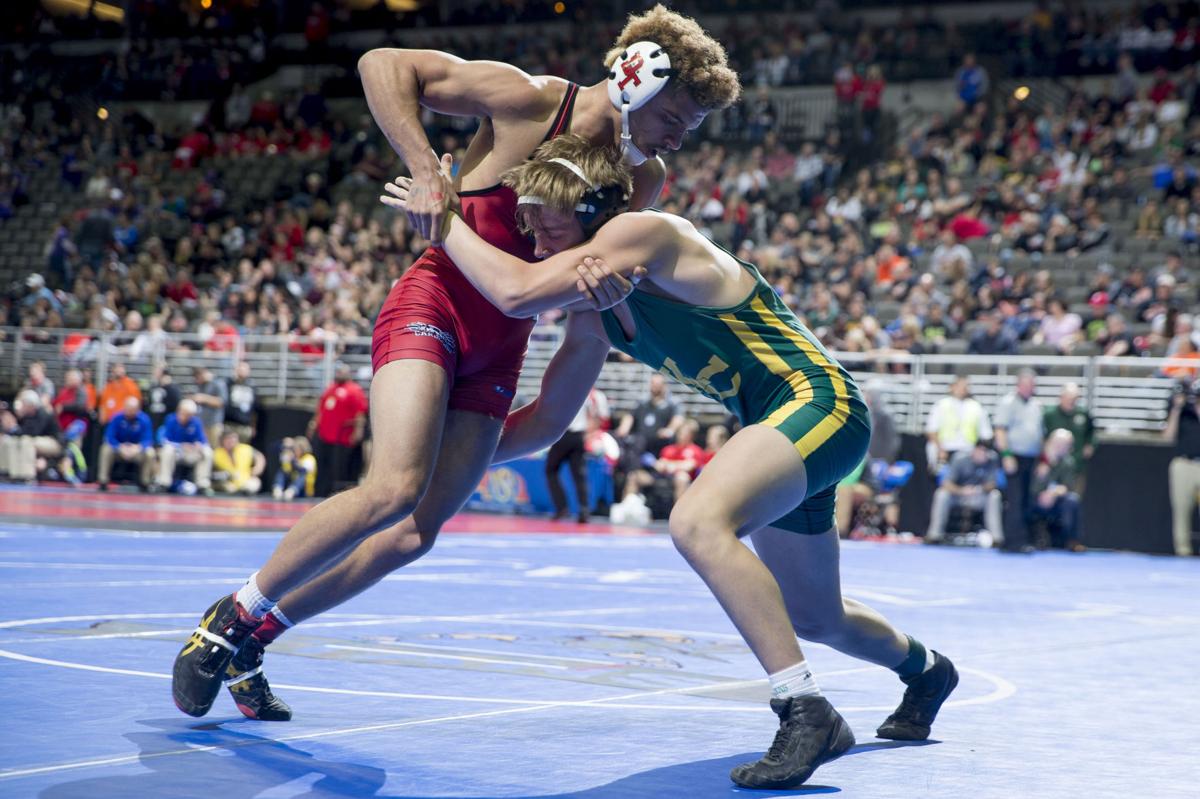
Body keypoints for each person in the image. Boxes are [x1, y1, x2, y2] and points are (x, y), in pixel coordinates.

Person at [173, 3, 736, 730]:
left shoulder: (644, 177)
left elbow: (583, 280)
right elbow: (384, 65)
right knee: (394, 488)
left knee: (414, 530)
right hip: (436, 300)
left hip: (505, 339)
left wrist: (607, 289)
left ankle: (256, 637)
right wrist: (423, 171)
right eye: (678, 118)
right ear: (639, 78)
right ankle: (229, 616)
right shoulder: (531, 99)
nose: (680, 141)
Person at [382, 134, 957, 789]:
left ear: (596, 212)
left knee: (696, 520)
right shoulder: (595, 317)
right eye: (526, 216)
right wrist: (434, 456)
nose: (531, 228)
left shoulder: (646, 232)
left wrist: (445, 218)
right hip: (777, 424)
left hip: (817, 401)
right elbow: (544, 421)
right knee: (814, 616)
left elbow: (515, 294)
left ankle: (804, 708)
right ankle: (927, 670)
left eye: (547, 214)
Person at [994, 369, 1045, 554]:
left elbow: (1040, 434)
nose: (1032, 387)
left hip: (1031, 458)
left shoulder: (1035, 404)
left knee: (1025, 500)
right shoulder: (1008, 402)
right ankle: (1012, 541)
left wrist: (1042, 459)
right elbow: (1000, 430)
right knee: (1014, 499)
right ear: (1020, 384)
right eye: (1029, 384)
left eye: (1034, 384)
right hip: (1013, 456)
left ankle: (1023, 539)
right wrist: (1006, 455)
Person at [926, 441, 1004, 545]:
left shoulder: (992, 460)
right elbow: (946, 483)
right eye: (980, 451)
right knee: (941, 494)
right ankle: (934, 535)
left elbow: (994, 483)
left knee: (995, 495)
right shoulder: (960, 459)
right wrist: (961, 491)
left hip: (979, 496)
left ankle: (997, 539)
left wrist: (978, 489)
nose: (982, 455)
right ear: (974, 450)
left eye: (985, 452)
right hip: (958, 495)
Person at [308, 362, 368, 498]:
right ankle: (322, 492)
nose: (339, 374)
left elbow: (360, 414)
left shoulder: (354, 390)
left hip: (343, 438)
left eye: (342, 372)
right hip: (325, 436)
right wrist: (313, 425)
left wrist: (358, 432)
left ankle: (340, 494)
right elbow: (320, 410)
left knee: (340, 468)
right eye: (338, 372)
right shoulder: (330, 388)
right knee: (324, 466)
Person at [545, 389, 604, 523]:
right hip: (578, 436)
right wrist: (587, 434)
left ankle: (562, 508)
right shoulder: (584, 392)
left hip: (563, 435)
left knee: (551, 470)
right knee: (579, 475)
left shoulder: (559, 391)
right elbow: (594, 416)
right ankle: (584, 510)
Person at [1029, 430, 1084, 552]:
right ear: (1049, 442)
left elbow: (1067, 486)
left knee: (1072, 500)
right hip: (1035, 497)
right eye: (1057, 443)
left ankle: (1072, 541)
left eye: (1065, 444)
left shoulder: (1068, 462)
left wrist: (1052, 494)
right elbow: (1031, 486)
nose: (1060, 447)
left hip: (1056, 501)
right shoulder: (1036, 458)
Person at [924, 375, 993, 472]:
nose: (962, 389)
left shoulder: (976, 407)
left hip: (968, 451)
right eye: (959, 386)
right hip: (945, 450)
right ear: (952, 387)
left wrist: (979, 450)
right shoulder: (941, 405)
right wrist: (941, 450)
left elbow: (986, 434)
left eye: (965, 386)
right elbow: (931, 430)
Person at [1164, 380, 1200, 556]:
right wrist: (1176, 409)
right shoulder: (1184, 415)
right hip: (1184, 464)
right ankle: (1182, 550)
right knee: (1181, 510)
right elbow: (1168, 436)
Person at [0, 390, 62, 483]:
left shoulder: (42, 413)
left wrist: (14, 428)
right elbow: (19, 432)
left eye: (23, 404)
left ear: (30, 404)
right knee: (8, 441)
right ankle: (7, 472)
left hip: (53, 442)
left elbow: (33, 433)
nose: (21, 406)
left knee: (26, 441)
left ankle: (27, 475)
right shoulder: (26, 415)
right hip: (36, 440)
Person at [155, 399, 213, 496]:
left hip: (190, 454)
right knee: (167, 450)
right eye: (185, 414)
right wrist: (181, 445)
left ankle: (202, 484)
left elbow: (204, 442)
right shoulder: (171, 420)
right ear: (179, 410)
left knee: (207, 452)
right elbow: (165, 440)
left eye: (190, 415)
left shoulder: (196, 422)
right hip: (176, 453)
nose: (186, 417)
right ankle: (164, 483)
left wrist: (198, 445)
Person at [98, 397, 155, 491]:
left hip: (136, 451)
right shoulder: (116, 418)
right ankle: (103, 481)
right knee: (105, 449)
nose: (129, 412)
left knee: (150, 453)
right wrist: (119, 447)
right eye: (127, 409)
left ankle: (145, 483)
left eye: (132, 410)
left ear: (138, 409)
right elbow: (109, 437)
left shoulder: (144, 419)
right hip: (119, 450)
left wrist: (138, 448)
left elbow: (148, 439)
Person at [1043, 383, 1095, 485]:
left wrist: (1090, 445)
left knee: (1073, 497)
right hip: (1053, 466)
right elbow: (1042, 438)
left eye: (1074, 399)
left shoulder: (1083, 414)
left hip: (1077, 464)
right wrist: (1045, 460)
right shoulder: (1049, 414)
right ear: (1061, 397)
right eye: (1069, 398)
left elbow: (1092, 433)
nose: (1071, 401)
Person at [213, 430, 266, 496]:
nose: (231, 442)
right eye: (228, 439)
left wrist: (257, 469)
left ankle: (243, 491)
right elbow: (213, 472)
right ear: (223, 441)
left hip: (246, 480)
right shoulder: (217, 453)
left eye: (233, 439)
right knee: (227, 487)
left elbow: (259, 456)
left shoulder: (245, 449)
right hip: (228, 482)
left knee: (254, 483)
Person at [192, 366, 228, 448]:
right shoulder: (201, 385)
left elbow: (221, 402)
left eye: (198, 377)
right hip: (203, 422)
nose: (198, 380)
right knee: (204, 448)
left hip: (214, 423)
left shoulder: (218, 383)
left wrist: (204, 398)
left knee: (215, 447)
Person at [224, 361, 260, 444]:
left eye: (245, 369)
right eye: (240, 368)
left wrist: (253, 426)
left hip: (245, 425)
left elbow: (255, 408)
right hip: (230, 423)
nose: (242, 371)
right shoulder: (228, 383)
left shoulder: (252, 386)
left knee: (242, 450)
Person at [52, 368, 94, 437]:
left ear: (77, 380)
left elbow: (80, 405)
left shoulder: (81, 390)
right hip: (61, 426)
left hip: (76, 425)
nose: (67, 380)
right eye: (67, 378)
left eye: (70, 378)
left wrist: (63, 407)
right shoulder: (64, 390)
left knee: (71, 446)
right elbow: (56, 402)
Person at [146, 364, 181, 430]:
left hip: (166, 423)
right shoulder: (153, 386)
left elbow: (176, 404)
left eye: (157, 369)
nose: (154, 372)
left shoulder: (173, 387)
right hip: (154, 422)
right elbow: (149, 405)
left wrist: (168, 386)